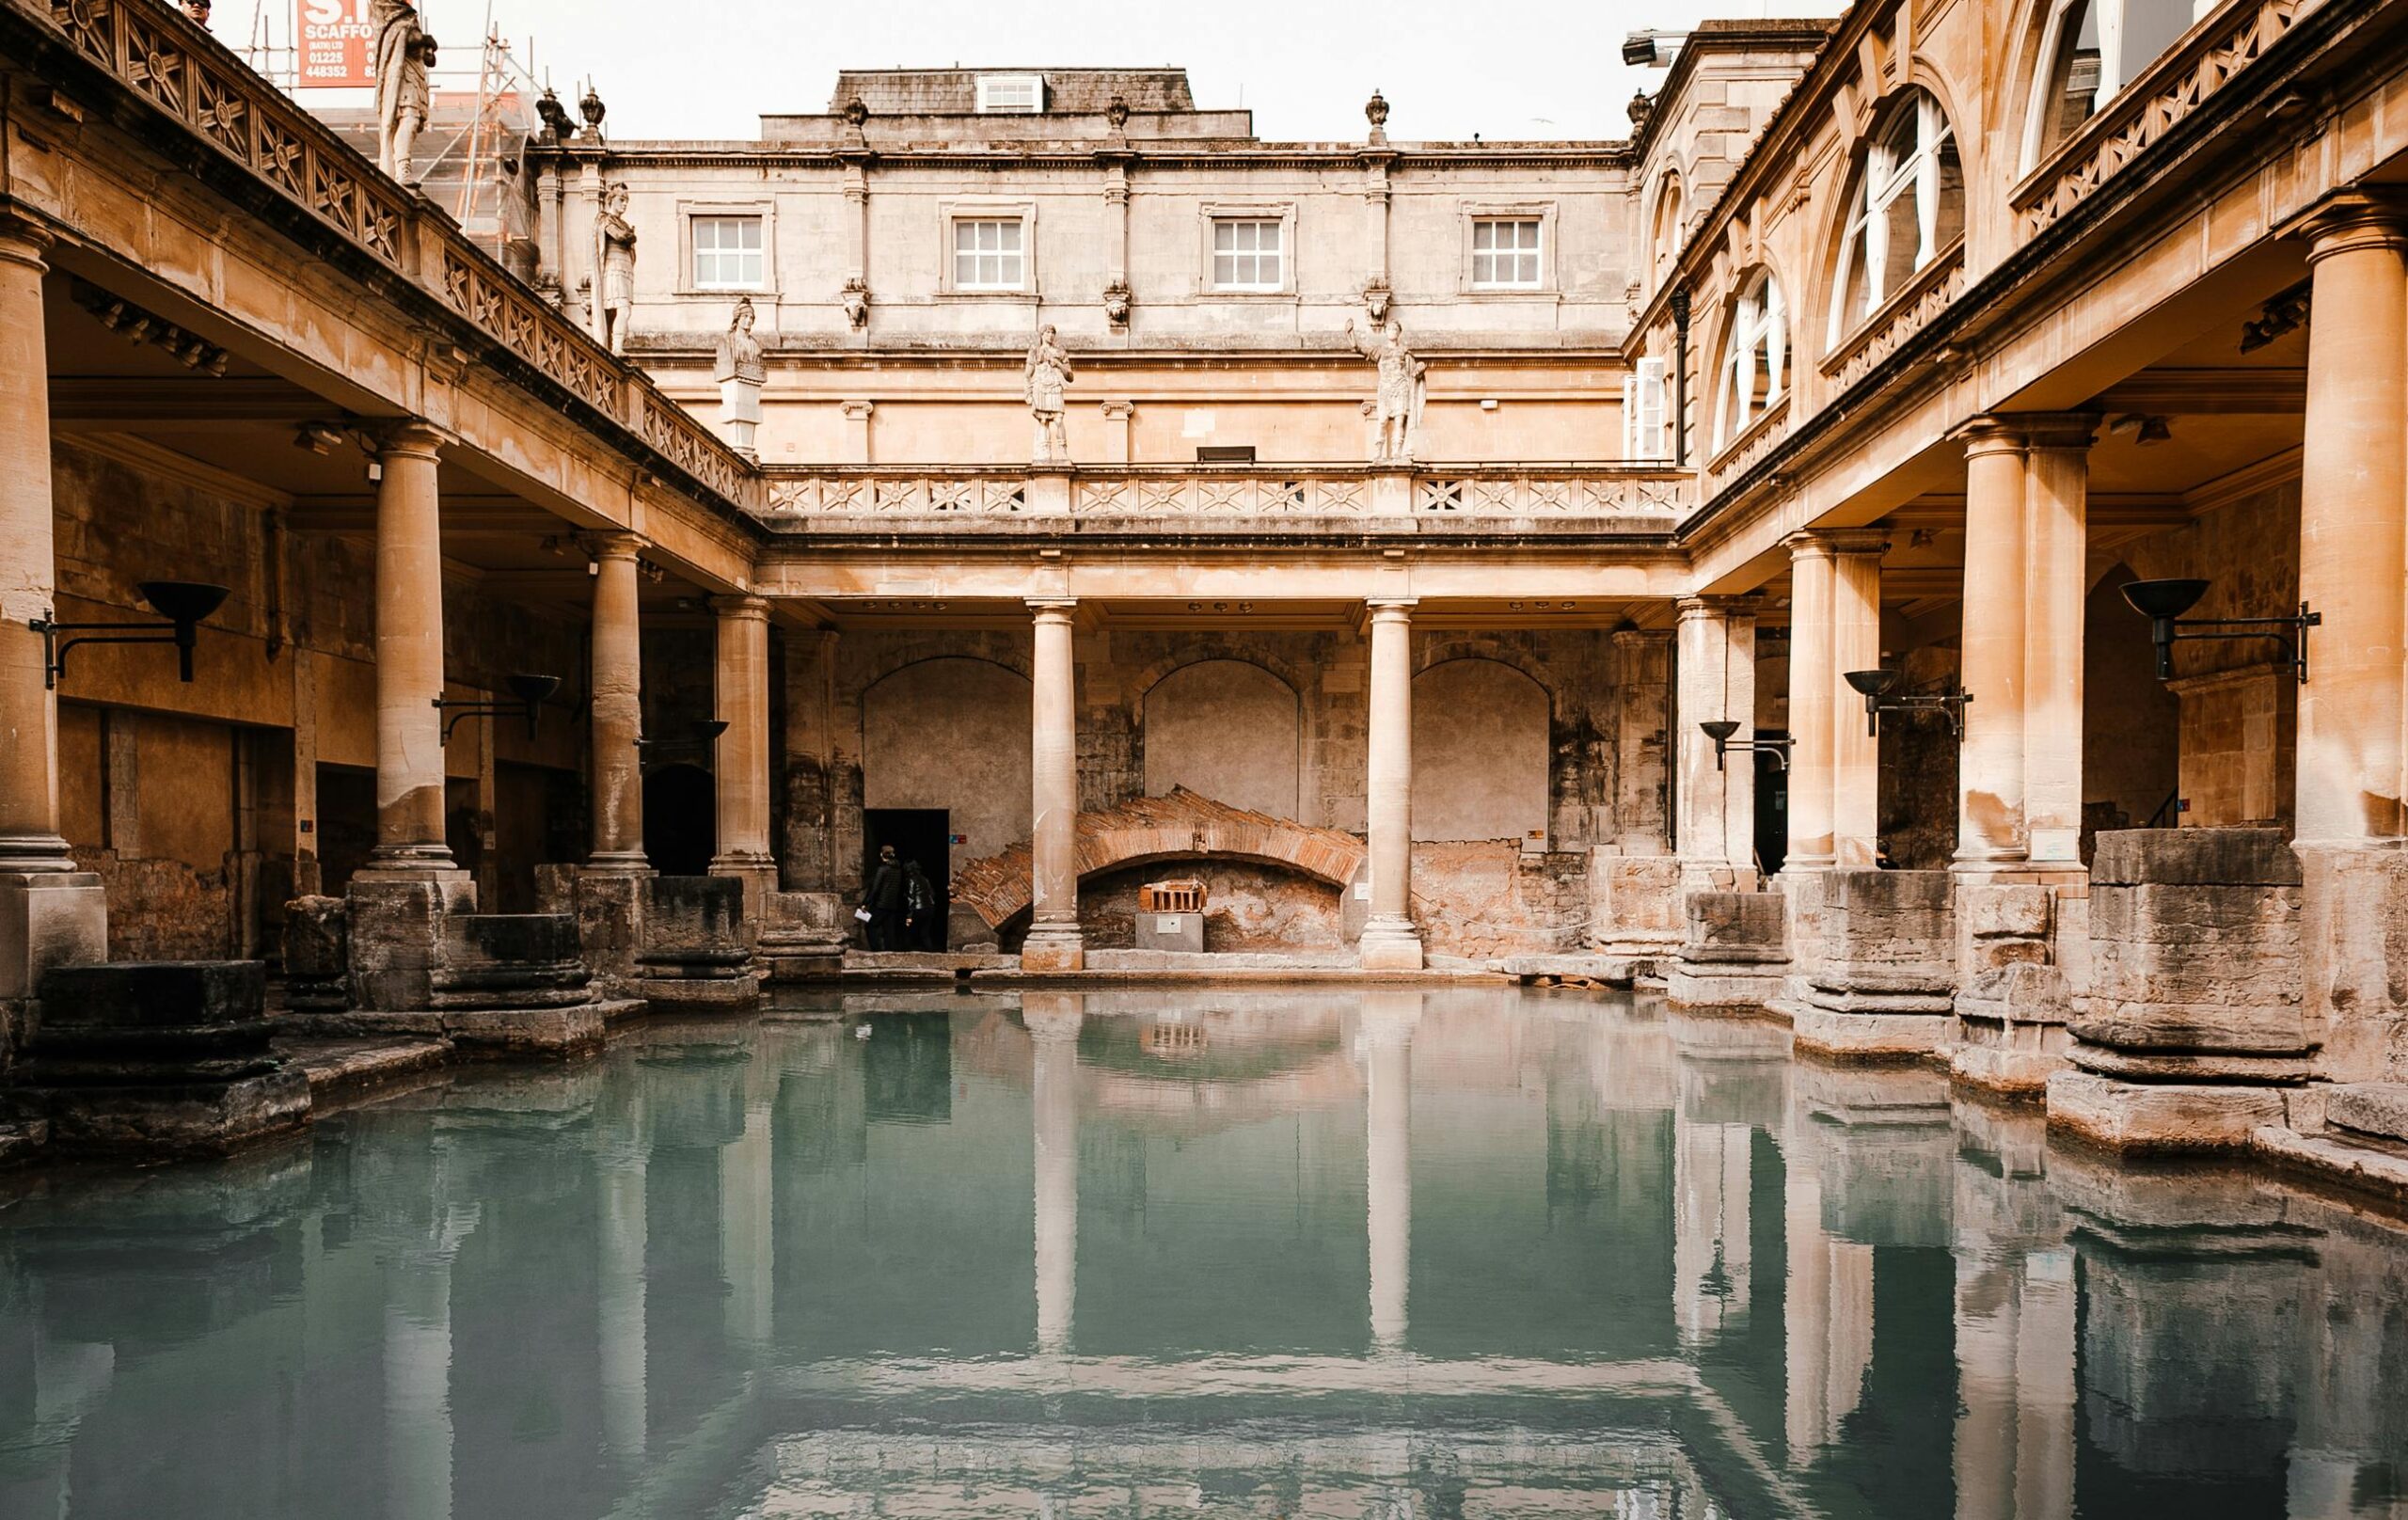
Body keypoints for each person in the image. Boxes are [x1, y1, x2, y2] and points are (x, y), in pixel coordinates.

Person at [862, 845, 908, 952]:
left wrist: (866, 902)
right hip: (892, 904)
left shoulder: (882, 869)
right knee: (889, 930)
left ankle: (876, 950)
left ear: (881, 854)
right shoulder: (898, 870)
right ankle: (889, 952)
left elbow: (875, 888)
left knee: (870, 926)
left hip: (881, 904)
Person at [903, 860, 942, 951]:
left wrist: (909, 916)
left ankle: (906, 952)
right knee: (925, 933)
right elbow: (932, 893)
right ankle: (930, 951)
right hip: (929, 907)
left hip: (918, 909)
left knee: (908, 930)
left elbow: (911, 898)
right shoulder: (925, 879)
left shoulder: (911, 880)